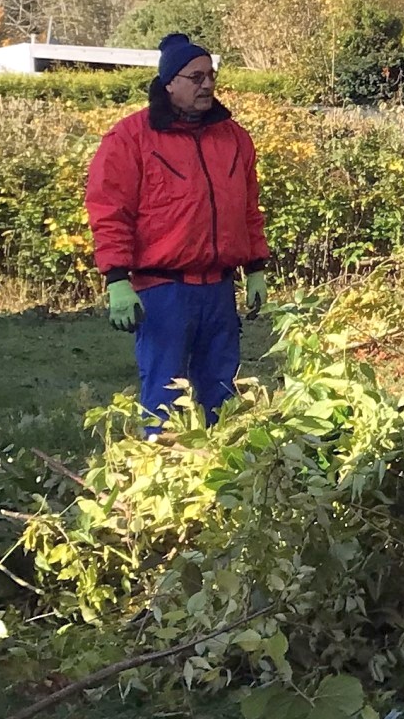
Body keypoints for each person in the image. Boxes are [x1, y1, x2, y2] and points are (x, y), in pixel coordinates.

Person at [84, 33, 269, 428]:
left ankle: (223, 475)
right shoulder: (131, 138)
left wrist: (256, 267)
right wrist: (116, 278)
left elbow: (247, 208)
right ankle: (162, 471)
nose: (207, 86)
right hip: (163, 290)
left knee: (223, 394)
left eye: (210, 76)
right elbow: (109, 209)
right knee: (166, 396)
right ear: (169, 83)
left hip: (218, 290)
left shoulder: (234, 139)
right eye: (195, 77)